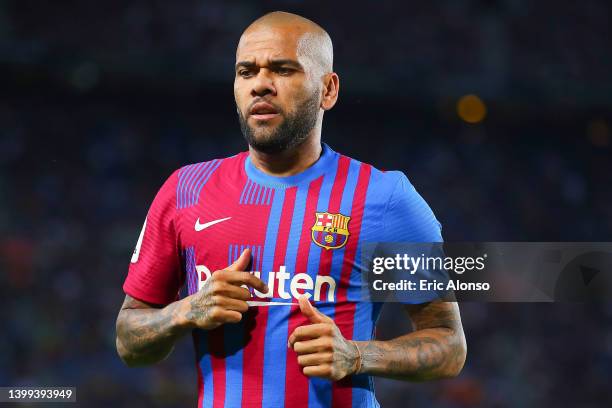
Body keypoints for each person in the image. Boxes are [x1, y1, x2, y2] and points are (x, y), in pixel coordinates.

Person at [115, 11, 466, 408]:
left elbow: (448, 344)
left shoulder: (383, 198)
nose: (261, 84)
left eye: (283, 70)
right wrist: (185, 311)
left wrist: (357, 355)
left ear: (328, 90)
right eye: (246, 72)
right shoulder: (186, 190)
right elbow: (129, 341)